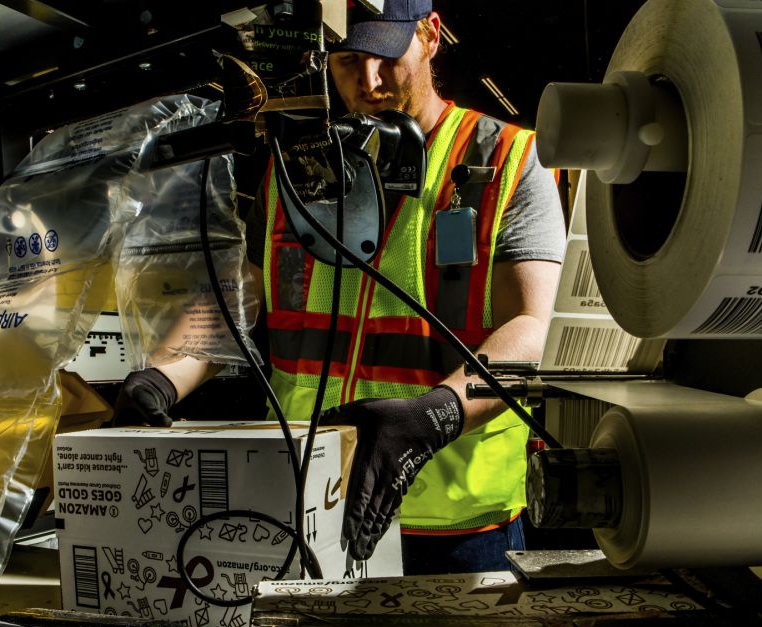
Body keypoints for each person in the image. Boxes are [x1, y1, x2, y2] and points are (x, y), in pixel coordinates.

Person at [120, 0, 566, 574]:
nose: (369, 81)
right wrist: (163, 374)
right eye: (349, 60)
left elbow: (530, 331)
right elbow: (241, 297)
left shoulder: (506, 159)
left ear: (430, 35)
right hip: (307, 501)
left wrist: (434, 416)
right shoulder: (300, 165)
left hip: (455, 525)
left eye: (385, 57)